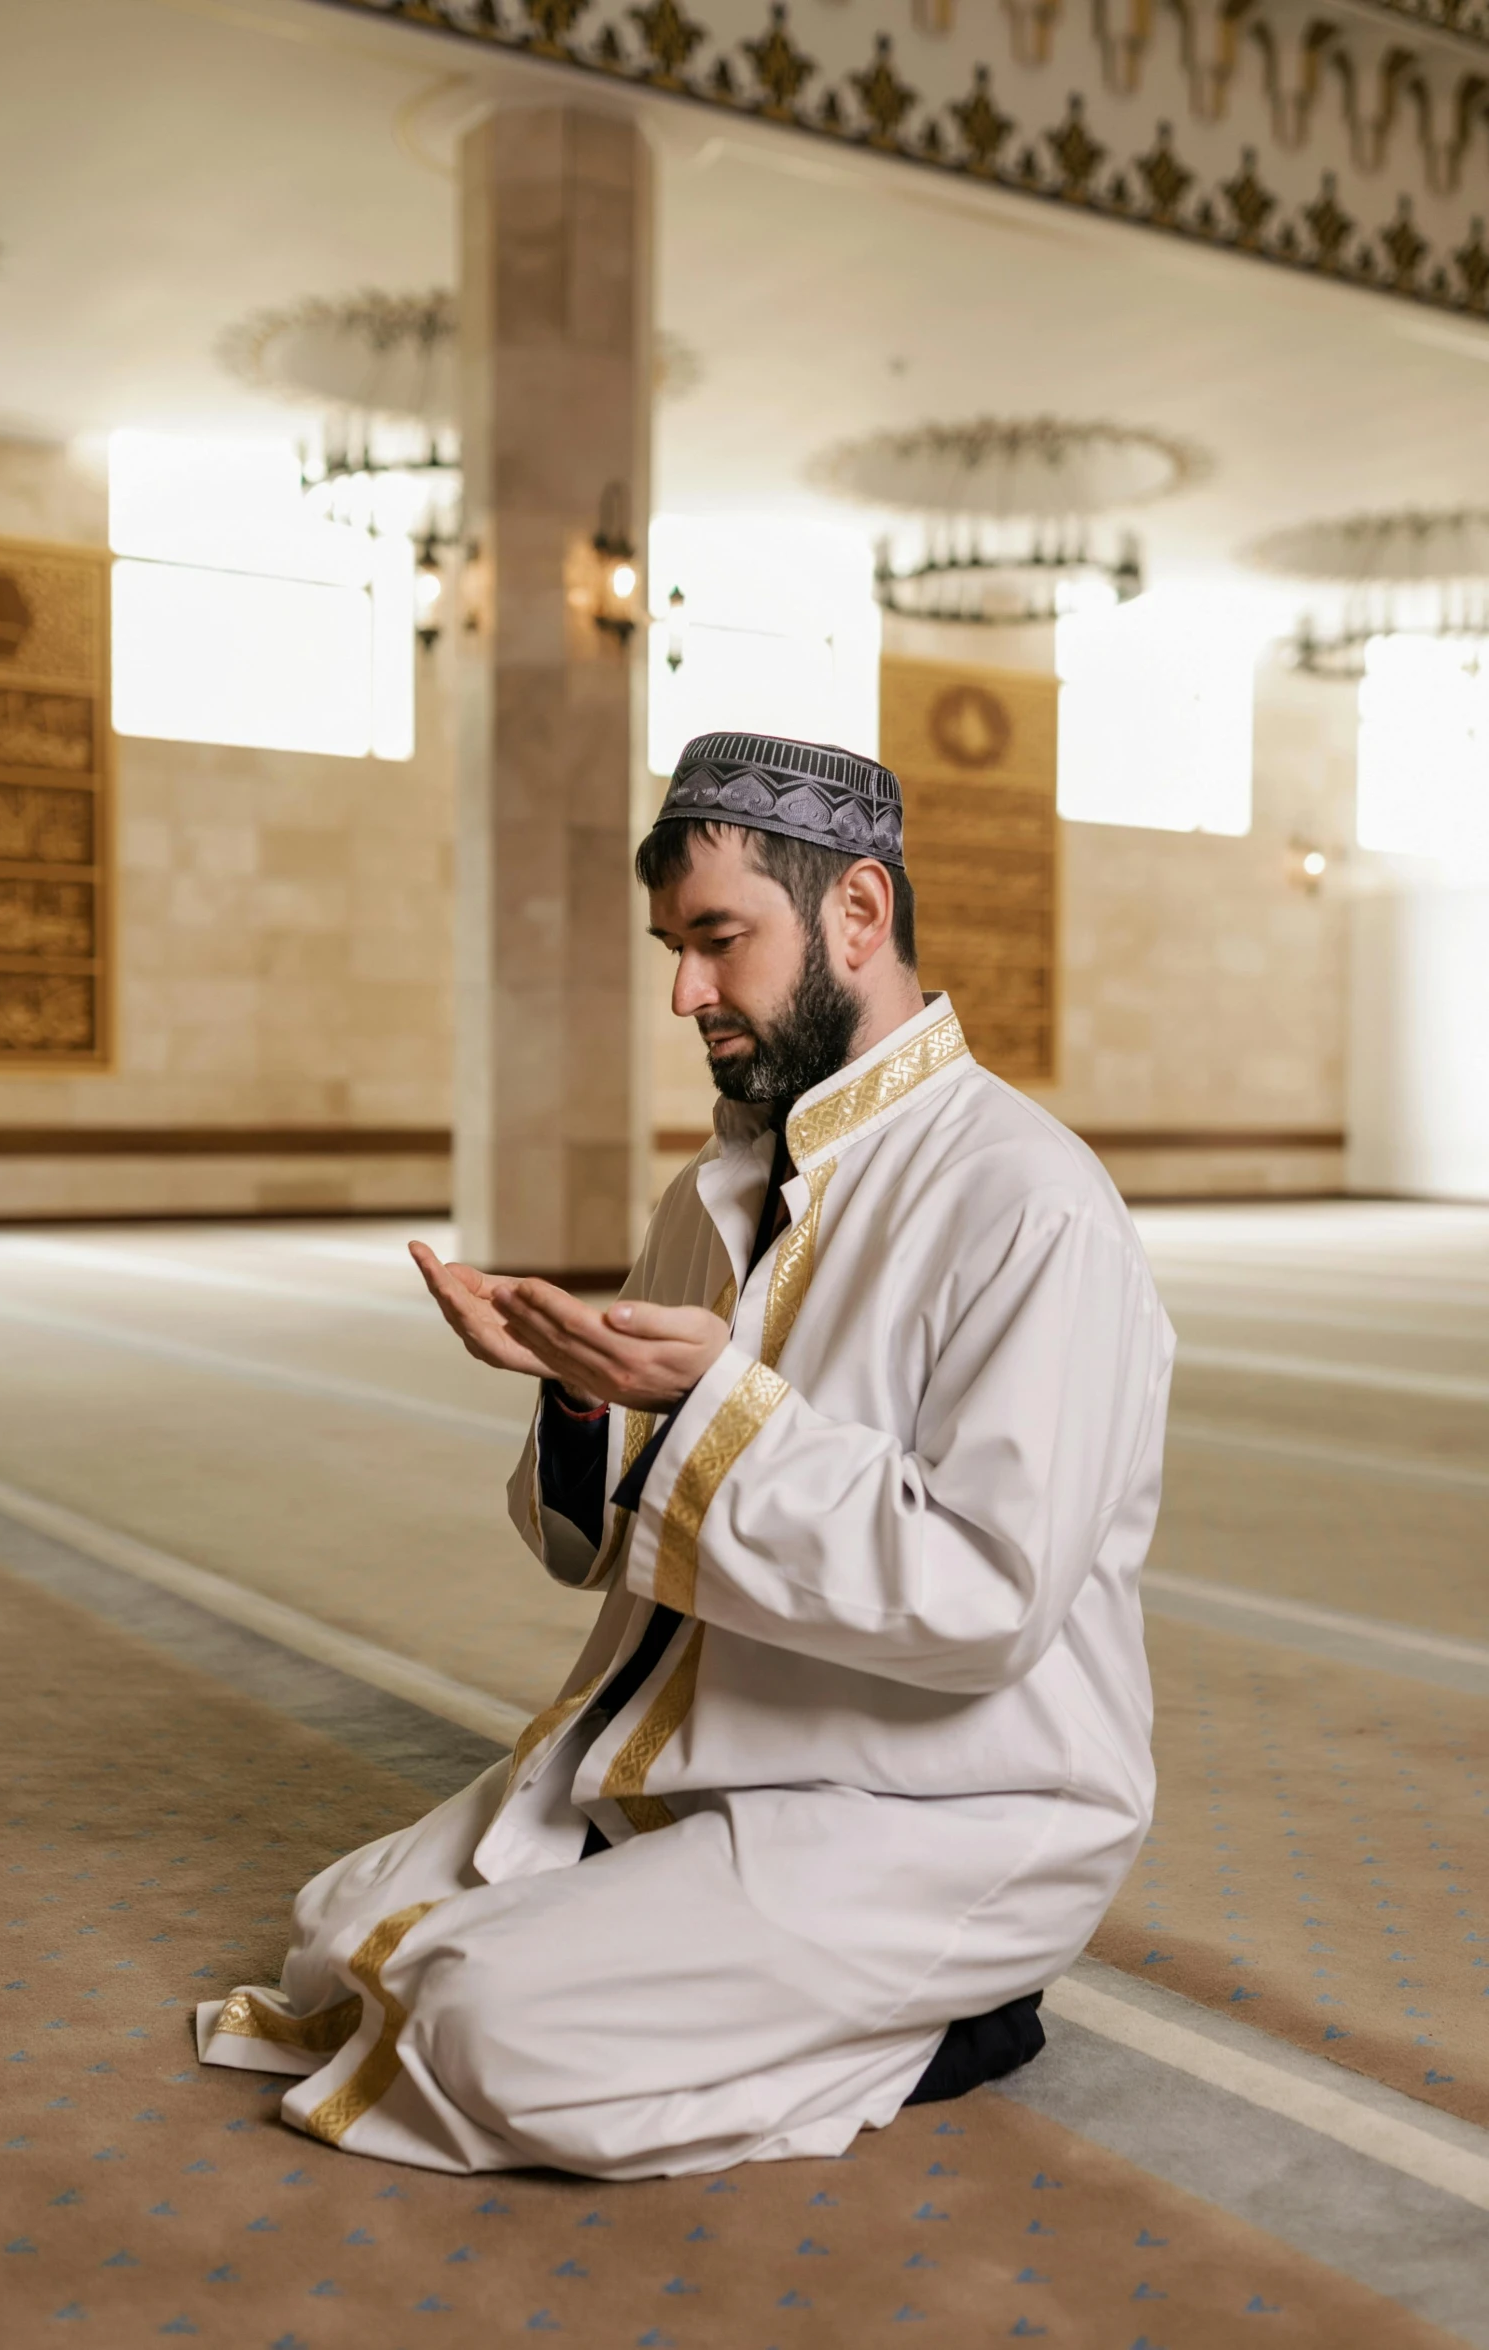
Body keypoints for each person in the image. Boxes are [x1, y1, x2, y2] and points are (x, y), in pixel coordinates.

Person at [197, 730, 1174, 2181]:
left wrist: (720, 1405)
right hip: (712, 1750)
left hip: (951, 1801)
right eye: (673, 947)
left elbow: (989, 1597)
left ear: (857, 911)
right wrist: (578, 1392)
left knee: (480, 2023)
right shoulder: (716, 1183)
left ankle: (956, 2011)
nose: (684, 993)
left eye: (719, 941)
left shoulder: (1028, 1203)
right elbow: (594, 1543)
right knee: (344, 1937)